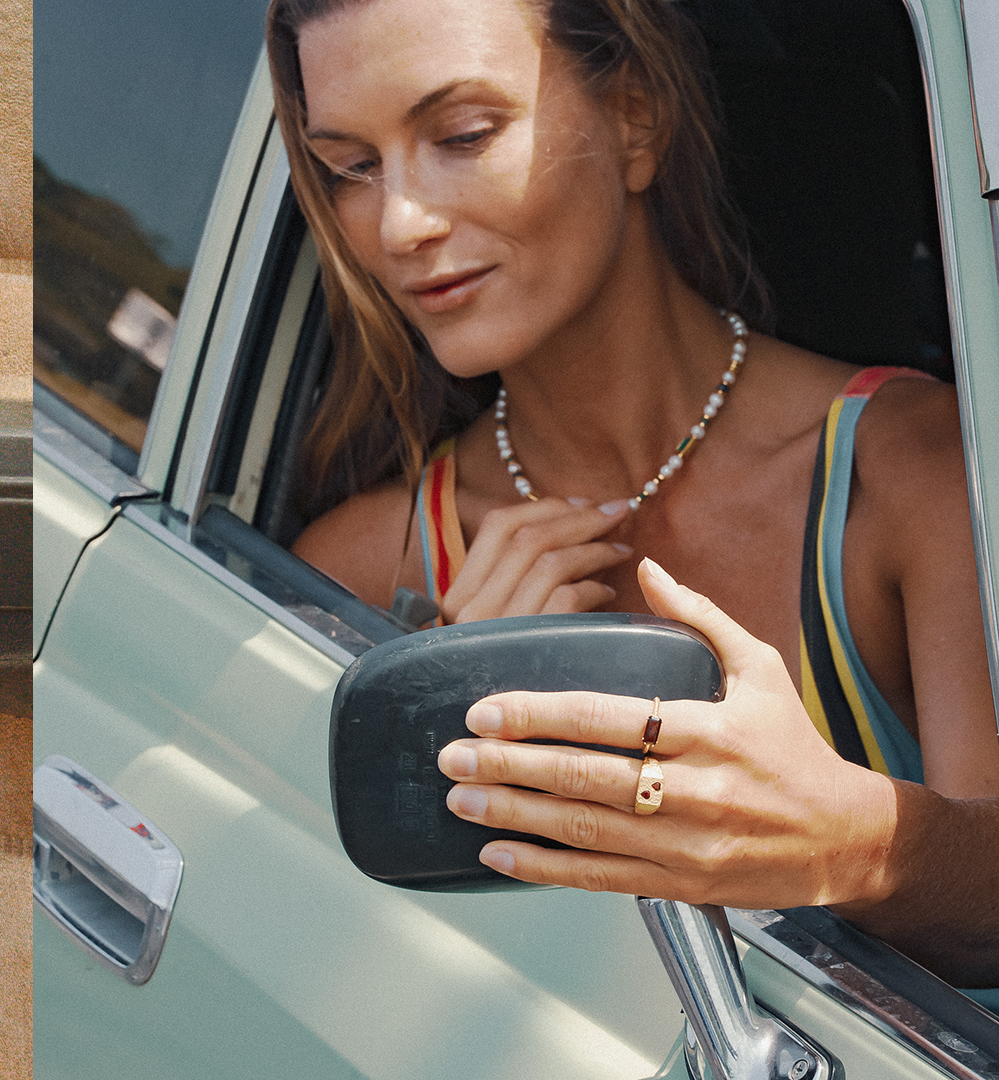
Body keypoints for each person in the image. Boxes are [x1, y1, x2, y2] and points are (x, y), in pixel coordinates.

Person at [267, 0, 999, 991]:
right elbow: (308, 962)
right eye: (353, 166)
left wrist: (852, 840)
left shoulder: (912, 472)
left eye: (463, 135)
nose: (400, 222)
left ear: (635, 118)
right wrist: (446, 739)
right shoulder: (364, 567)